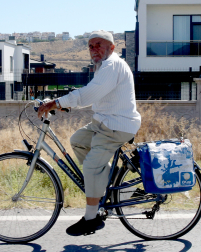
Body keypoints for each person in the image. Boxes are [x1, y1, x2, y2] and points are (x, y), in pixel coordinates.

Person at [37, 30, 141, 236]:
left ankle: (91, 219)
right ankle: (108, 185)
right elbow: (94, 94)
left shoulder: (112, 65)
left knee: (92, 165)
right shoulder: (104, 66)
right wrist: (62, 104)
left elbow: (88, 94)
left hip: (116, 126)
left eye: (99, 45)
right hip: (104, 123)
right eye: (91, 46)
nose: (94, 49)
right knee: (78, 140)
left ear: (111, 47)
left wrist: (56, 102)